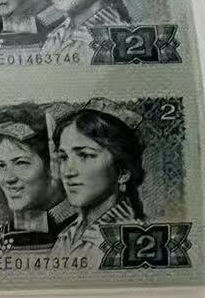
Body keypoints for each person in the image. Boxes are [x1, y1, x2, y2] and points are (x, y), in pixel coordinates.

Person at [49, 103, 146, 267]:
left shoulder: (131, 241)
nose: (67, 172)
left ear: (122, 172)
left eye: (85, 155)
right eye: (64, 157)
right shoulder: (67, 234)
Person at [0, 108, 75, 253]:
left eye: (21, 163)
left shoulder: (91, 228)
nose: (8, 178)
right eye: (2, 166)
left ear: (53, 166)